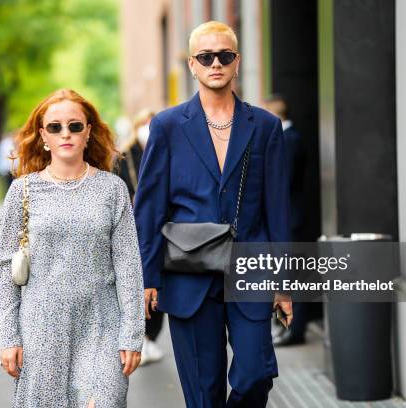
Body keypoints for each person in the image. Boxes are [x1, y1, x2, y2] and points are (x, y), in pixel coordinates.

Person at [134, 21, 293, 407]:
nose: (215, 64)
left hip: (251, 269)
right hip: (188, 275)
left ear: (237, 62)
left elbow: (278, 207)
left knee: (255, 374)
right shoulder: (168, 126)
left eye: (224, 56)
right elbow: (150, 205)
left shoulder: (266, 127)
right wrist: (147, 276)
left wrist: (284, 280)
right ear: (192, 65)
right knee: (203, 396)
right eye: (206, 57)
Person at [0, 88, 145, 408]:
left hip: (103, 328)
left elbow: (128, 265)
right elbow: (5, 272)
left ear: (88, 132)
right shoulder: (22, 191)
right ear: (42, 135)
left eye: (75, 126)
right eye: (55, 126)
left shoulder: (113, 189)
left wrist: (132, 333)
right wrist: (9, 337)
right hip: (41, 332)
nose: (66, 133)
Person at [117, 109, 165, 365]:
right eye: (143, 123)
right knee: (138, 282)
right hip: (132, 228)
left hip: (160, 228)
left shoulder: (164, 148)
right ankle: (139, 337)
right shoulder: (124, 157)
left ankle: (151, 337)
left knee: (158, 282)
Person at [265, 94, 310, 346]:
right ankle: (284, 326)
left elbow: (284, 180)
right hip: (285, 219)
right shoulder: (283, 138)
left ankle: (294, 329)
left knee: (293, 277)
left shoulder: (290, 139)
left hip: (291, 219)